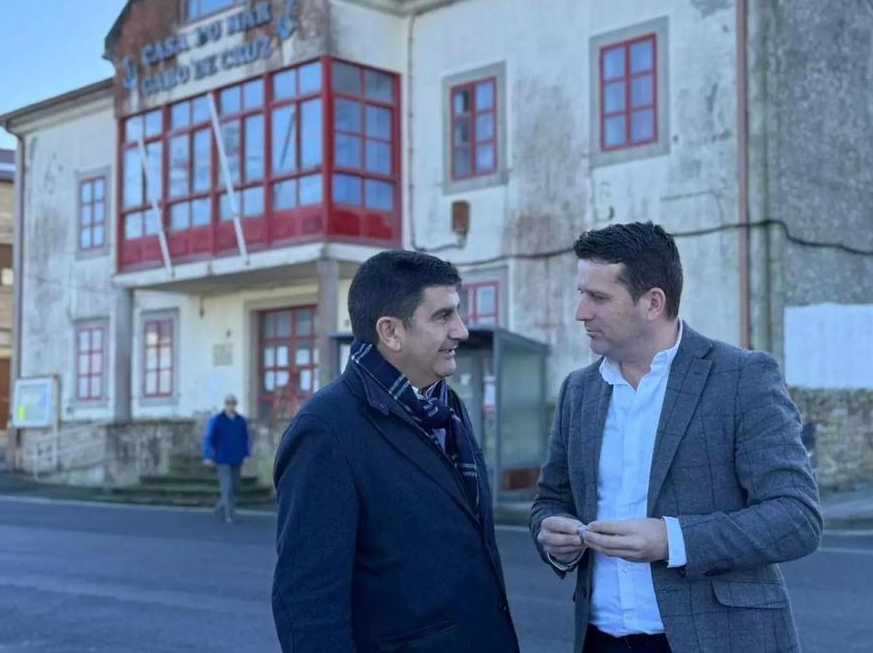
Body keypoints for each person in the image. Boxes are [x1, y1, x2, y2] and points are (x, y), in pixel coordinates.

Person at [531, 222, 822, 653]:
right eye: (582, 294)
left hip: (718, 640)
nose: (581, 312)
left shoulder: (742, 377)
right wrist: (555, 537)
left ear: (653, 302)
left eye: (598, 297)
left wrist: (673, 540)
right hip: (600, 640)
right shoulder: (579, 390)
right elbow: (551, 501)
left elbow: (796, 518)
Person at [271, 250, 519, 653]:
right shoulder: (325, 430)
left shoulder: (446, 407)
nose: (461, 330)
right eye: (443, 316)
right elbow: (308, 604)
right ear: (390, 332)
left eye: (457, 313)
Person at [203, 393, 251, 524]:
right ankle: (229, 515)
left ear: (235, 405)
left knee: (235, 487)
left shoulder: (241, 421)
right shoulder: (218, 420)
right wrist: (208, 456)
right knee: (227, 487)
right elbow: (209, 438)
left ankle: (219, 507)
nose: (230, 406)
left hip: (237, 458)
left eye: (233, 403)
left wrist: (246, 454)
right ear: (225, 405)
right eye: (228, 403)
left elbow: (245, 439)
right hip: (222, 458)